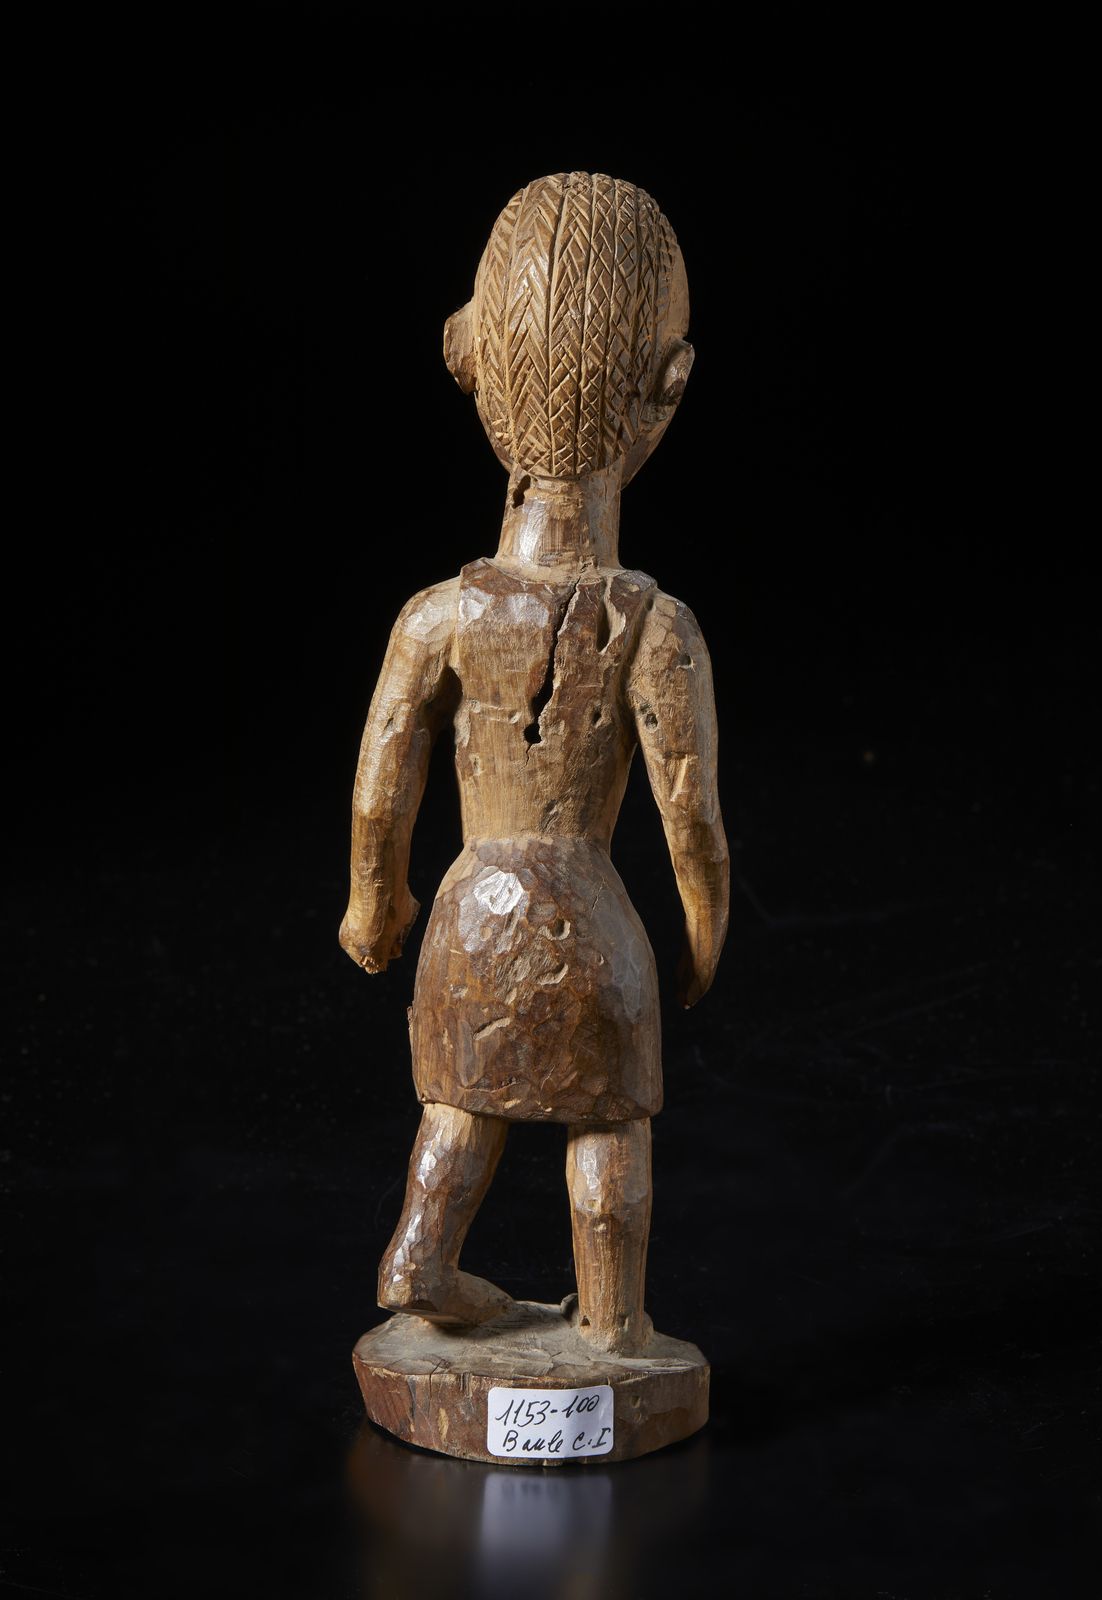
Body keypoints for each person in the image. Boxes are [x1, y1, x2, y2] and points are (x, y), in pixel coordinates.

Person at [339, 172, 728, 1356]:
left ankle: (421, 1254)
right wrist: (703, 934)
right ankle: (612, 1327)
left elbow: (380, 782)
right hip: (592, 925)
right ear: (668, 384)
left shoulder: (437, 616)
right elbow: (692, 819)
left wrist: (374, 900)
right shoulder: (657, 627)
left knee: (460, 1106)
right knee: (608, 1123)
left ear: (470, 359)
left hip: (469, 910)